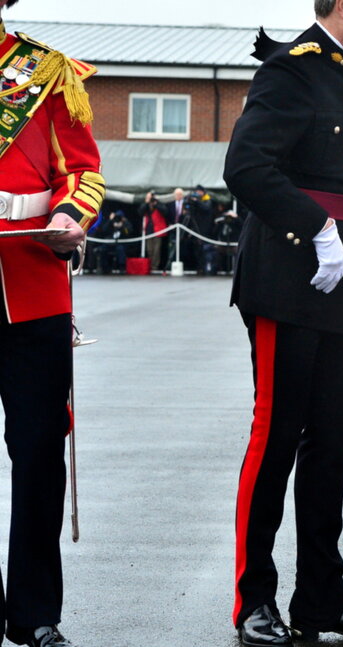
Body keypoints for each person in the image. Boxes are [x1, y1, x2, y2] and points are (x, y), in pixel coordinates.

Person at [221, 1, 343, 645]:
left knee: (331, 440)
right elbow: (245, 168)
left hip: (329, 275)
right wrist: (318, 228)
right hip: (286, 277)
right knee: (275, 438)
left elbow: (329, 176)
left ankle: (321, 598)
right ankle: (254, 599)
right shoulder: (291, 70)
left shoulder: (339, 73)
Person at [0, 2, 104, 645]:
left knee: (38, 453)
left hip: (32, 284)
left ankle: (34, 612)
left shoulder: (45, 72)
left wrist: (71, 215)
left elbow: (83, 169)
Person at [138, 191, 168, 271]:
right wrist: (147, 203)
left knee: (156, 250)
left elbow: (165, 211)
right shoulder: (145, 206)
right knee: (149, 249)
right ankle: (149, 266)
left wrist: (156, 203)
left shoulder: (159, 204)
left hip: (158, 230)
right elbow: (140, 212)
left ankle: (154, 266)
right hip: (149, 230)